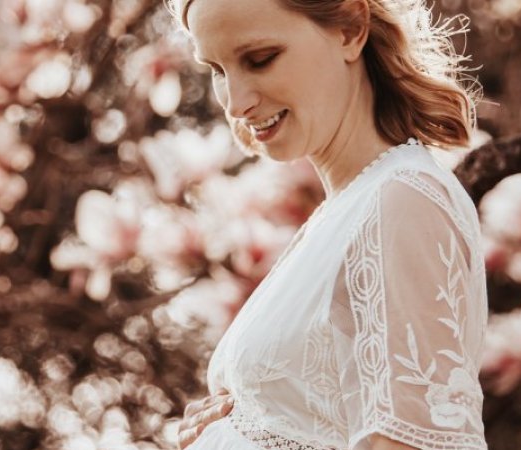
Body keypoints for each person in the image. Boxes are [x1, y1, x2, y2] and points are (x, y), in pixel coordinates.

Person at [166, 0, 488, 449]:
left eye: (260, 59)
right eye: (218, 70)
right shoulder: (348, 209)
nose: (237, 104)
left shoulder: (402, 200)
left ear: (351, 29)